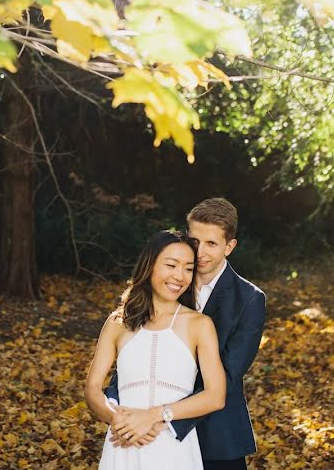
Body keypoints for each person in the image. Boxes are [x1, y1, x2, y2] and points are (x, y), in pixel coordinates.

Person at [106, 198, 266, 470]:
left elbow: (225, 376)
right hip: (147, 434)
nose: (200, 252)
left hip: (217, 436)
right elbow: (137, 347)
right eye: (195, 241)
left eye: (212, 244)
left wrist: (160, 417)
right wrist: (119, 404)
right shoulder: (166, 283)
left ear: (230, 246)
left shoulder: (249, 300)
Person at [85, 230, 226, 469]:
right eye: (171, 265)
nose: (180, 276)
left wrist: (152, 416)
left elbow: (215, 396)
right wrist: (118, 421)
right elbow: (92, 388)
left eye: (189, 268)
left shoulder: (200, 325)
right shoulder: (118, 322)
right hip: (123, 444)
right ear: (149, 266)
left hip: (173, 448)